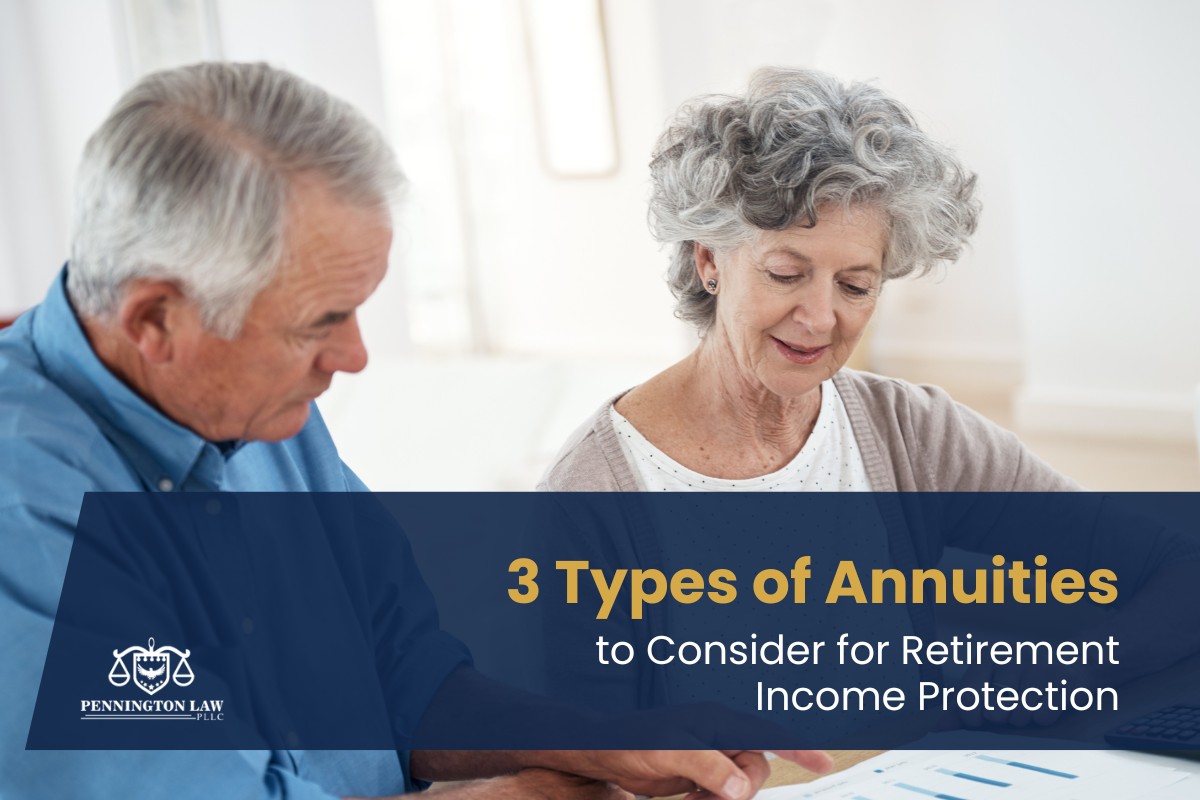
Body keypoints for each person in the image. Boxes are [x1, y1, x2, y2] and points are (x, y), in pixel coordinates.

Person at [0, 62, 829, 799]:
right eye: (318, 321)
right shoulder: (24, 513)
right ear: (155, 318)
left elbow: (404, 678)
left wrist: (600, 740)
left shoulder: (263, 413)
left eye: (358, 309)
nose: (354, 357)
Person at [540, 67, 1068, 494]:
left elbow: (1134, 554)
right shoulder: (596, 488)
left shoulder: (911, 432)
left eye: (856, 286)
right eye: (785, 274)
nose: (819, 318)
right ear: (708, 261)